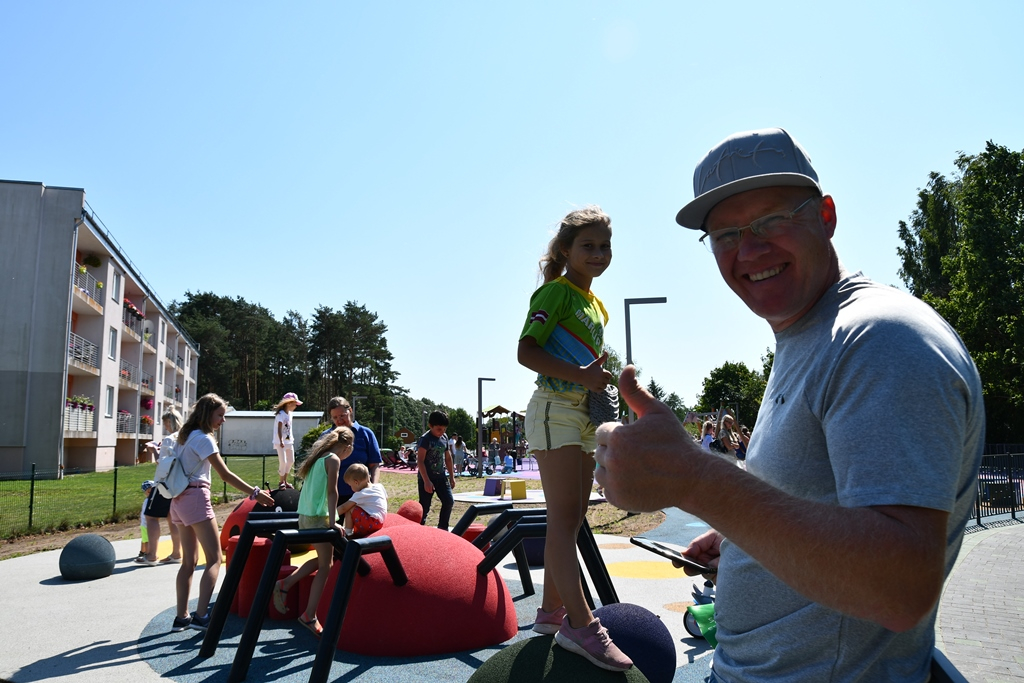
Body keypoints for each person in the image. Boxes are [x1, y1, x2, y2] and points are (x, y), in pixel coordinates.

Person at [594, 128, 984, 682]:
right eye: (726, 234)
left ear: (825, 217)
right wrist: (743, 539)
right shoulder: (808, 337)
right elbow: (825, 507)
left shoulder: (879, 339)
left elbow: (900, 588)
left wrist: (696, 480)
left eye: (772, 220)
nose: (749, 249)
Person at [516, 206, 632, 672]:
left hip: (583, 416)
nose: (599, 253)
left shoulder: (595, 304)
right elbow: (525, 351)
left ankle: (550, 613)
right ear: (566, 250)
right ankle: (581, 627)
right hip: (554, 411)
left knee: (570, 519)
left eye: (605, 246)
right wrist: (582, 376)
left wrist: (598, 382)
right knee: (563, 522)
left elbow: (587, 370)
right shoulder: (555, 292)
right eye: (589, 245)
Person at [169, 393, 274, 633]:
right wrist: (255, 493)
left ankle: (181, 617)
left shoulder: (184, 437)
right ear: (208, 414)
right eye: (220, 415)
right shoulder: (204, 439)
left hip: (177, 499)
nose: (223, 421)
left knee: (188, 562)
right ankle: (201, 615)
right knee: (215, 558)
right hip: (195, 497)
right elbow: (225, 475)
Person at [272, 426, 349, 637]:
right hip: (317, 517)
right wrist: (334, 521)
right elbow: (332, 491)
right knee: (326, 566)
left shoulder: (318, 458)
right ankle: (309, 614)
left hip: (305, 516)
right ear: (347, 446)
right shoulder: (333, 459)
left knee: (325, 558)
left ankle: (286, 583)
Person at [137, 409, 184, 566]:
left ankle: (151, 555)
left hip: (163, 484)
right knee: (173, 518)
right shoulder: (186, 438)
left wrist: (153, 451)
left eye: (165, 423)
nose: (165, 426)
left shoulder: (169, 439)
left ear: (170, 422)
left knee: (151, 517)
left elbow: (163, 463)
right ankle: (177, 553)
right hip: (179, 485)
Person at [325, 396, 383, 507]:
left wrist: (373, 489)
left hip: (361, 496)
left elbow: (375, 465)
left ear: (350, 410)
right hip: (332, 496)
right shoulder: (326, 437)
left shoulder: (366, 434)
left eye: (342, 415)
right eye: (335, 417)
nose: (339, 420)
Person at [416, 410, 457, 530]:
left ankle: (443, 528)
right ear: (430, 426)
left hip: (441, 477)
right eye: (439, 429)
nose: (442, 432)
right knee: (424, 507)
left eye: (444, 429)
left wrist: (452, 476)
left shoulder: (444, 437)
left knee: (449, 501)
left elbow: (448, 458)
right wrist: (427, 481)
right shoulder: (425, 439)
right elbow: (420, 461)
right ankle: (418, 530)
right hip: (427, 478)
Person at [338, 463, 388, 538]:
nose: (350, 488)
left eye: (350, 485)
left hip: (371, 524)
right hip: (380, 522)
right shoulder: (379, 486)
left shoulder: (361, 494)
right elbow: (385, 498)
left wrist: (329, 517)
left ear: (356, 482)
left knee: (350, 508)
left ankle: (348, 533)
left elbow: (343, 508)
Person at [272, 392, 302, 489]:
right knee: (283, 462)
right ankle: (281, 482)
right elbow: (279, 429)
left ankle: (285, 480)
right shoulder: (280, 414)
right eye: (295, 404)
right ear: (288, 403)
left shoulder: (290, 414)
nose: (295, 406)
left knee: (291, 461)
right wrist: (281, 440)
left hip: (289, 441)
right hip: (280, 443)